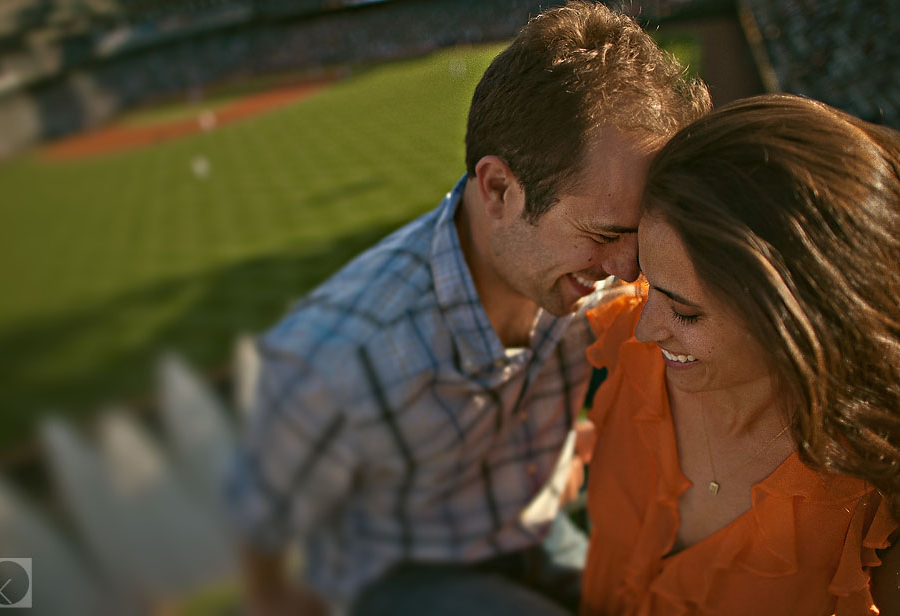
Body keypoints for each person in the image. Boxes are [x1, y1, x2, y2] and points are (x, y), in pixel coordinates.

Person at [224, 2, 709, 614]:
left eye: (638, 235)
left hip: (534, 529)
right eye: (605, 233)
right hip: (400, 577)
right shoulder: (342, 352)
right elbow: (262, 513)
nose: (628, 269)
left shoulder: (588, 271)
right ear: (499, 189)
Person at [578, 94, 900, 615]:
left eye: (686, 313)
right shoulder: (616, 346)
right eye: (647, 282)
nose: (645, 327)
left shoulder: (874, 481)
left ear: (800, 318)